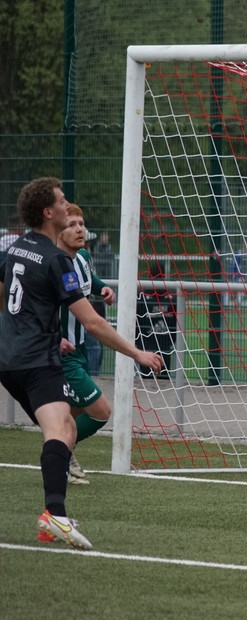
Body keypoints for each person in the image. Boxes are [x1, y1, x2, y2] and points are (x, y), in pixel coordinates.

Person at [0, 178, 164, 549]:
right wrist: (137, 353)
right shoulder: (57, 259)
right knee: (62, 428)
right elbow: (93, 323)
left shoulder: (17, 247)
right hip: (38, 360)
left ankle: (53, 518)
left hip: (8, 359)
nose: (67, 206)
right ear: (48, 212)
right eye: (62, 202)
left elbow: (4, 294)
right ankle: (54, 516)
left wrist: (20, 328)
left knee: (66, 429)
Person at [55, 203, 118, 486]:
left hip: (79, 348)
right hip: (61, 353)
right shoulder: (53, 264)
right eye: (72, 224)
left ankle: (59, 449)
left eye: (81, 223)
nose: (79, 229)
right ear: (58, 229)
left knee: (72, 412)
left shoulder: (81, 257)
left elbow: (87, 280)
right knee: (101, 411)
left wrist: (102, 287)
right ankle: (59, 452)